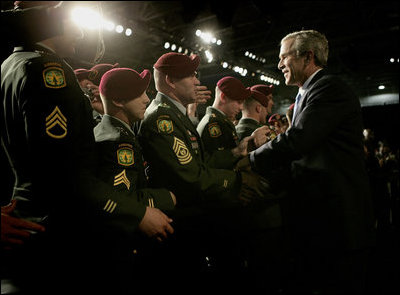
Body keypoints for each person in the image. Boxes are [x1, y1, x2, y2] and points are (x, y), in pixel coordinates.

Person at [1, 5, 174, 294]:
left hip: (25, 227)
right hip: (56, 234)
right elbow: (65, 173)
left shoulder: (11, 64)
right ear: (52, 20)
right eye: (72, 21)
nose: (80, 33)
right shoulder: (48, 71)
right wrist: (137, 213)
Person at [240, 29, 376, 294]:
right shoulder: (308, 92)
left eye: (284, 57)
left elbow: (299, 141)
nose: (279, 64)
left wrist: (251, 161)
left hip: (338, 222)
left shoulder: (328, 88)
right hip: (319, 220)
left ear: (308, 56)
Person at [138, 52, 270, 292]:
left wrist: (237, 151)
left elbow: (199, 162)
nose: (197, 81)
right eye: (190, 75)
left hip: (190, 219)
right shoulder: (162, 118)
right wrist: (238, 181)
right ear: (170, 81)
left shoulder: (174, 113)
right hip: (180, 223)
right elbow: (191, 176)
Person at [92, 67, 176, 293]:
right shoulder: (120, 142)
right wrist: (166, 197)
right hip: (124, 248)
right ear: (118, 100)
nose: (147, 98)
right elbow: (124, 199)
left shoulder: (107, 131)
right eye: (139, 93)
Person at [197, 76, 251, 158]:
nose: (242, 107)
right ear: (223, 97)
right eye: (239, 102)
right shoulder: (213, 123)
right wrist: (237, 152)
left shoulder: (220, 121)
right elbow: (210, 163)